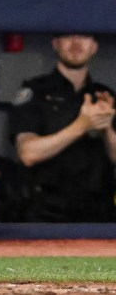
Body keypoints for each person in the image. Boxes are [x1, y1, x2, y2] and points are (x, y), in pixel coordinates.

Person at [8, 33, 116, 222]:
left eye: (84, 36)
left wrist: (106, 128)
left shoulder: (104, 95)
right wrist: (82, 125)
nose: (76, 42)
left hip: (99, 212)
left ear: (95, 46)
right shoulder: (35, 92)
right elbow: (28, 153)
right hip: (46, 212)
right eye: (68, 36)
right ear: (55, 43)